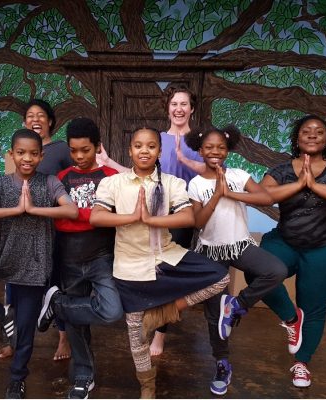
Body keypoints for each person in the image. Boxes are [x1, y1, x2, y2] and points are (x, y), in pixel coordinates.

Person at [90, 127, 231, 398]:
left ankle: (163, 313)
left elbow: (188, 218)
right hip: (130, 266)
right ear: (130, 150)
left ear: (159, 151)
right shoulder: (113, 183)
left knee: (220, 277)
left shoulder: (173, 183)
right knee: (136, 334)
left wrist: (152, 220)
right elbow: (97, 217)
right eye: (139, 146)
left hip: (166, 256)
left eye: (151, 146)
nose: (145, 151)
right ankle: (147, 385)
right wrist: (131, 217)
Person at [0, 128, 78, 398]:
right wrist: (14, 210)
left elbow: (71, 210)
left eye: (33, 154)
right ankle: (0, 314)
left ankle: (17, 379)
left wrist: (33, 210)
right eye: (21, 153)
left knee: (25, 328)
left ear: (41, 156)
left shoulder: (50, 182)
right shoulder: (1, 184)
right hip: (3, 258)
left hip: (33, 264)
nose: (27, 159)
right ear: (11, 154)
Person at [247, 115, 326, 388]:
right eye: (306, 131)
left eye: (319, 131)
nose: (312, 135)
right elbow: (264, 196)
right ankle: (291, 319)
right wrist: (298, 183)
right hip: (284, 241)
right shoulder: (281, 170)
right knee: (257, 272)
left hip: (324, 248)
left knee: (314, 308)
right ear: (297, 138)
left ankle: (302, 363)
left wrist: (314, 185)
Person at [185, 125, 288, 395]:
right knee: (212, 314)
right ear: (200, 150)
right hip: (210, 251)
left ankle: (237, 305)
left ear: (228, 150)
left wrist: (229, 192)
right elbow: (198, 222)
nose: (215, 151)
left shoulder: (239, 175)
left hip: (239, 244)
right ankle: (222, 364)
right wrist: (216, 194)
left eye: (220, 147)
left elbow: (265, 198)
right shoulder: (196, 184)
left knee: (276, 270)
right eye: (209, 147)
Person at [36, 117, 124, 399]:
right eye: (74, 151)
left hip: (102, 256)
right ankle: (83, 375)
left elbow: (110, 219)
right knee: (77, 323)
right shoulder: (61, 179)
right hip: (69, 256)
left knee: (111, 310)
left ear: (97, 147)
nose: (79, 156)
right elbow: (60, 222)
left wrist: (78, 215)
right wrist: (90, 217)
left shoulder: (112, 177)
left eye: (85, 150)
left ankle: (57, 304)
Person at [22, 98, 72, 361]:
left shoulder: (61, 149)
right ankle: (16, 339)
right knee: (20, 283)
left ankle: (64, 337)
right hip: (24, 228)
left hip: (54, 227)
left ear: (50, 121)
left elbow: (73, 183)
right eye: (30, 115)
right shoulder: (19, 148)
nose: (35, 119)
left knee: (56, 281)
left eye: (41, 115)